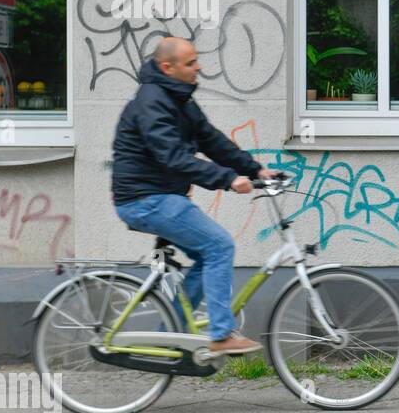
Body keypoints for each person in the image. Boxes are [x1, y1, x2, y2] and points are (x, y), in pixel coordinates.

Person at [111, 37, 281, 355]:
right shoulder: (153, 101)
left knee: (207, 254)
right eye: (190, 62)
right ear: (167, 67)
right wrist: (228, 179)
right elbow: (173, 157)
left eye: (196, 60)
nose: (198, 66)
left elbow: (210, 139)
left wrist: (255, 170)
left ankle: (172, 332)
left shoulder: (178, 98)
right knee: (219, 246)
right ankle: (221, 334)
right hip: (144, 199)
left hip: (161, 195)